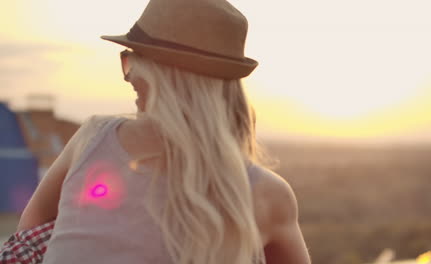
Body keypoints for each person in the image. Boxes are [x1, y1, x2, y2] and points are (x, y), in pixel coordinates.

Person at [14, 0, 311, 263]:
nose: (128, 79)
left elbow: (28, 235)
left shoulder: (93, 137)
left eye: (130, 62)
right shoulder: (266, 194)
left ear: (158, 75)